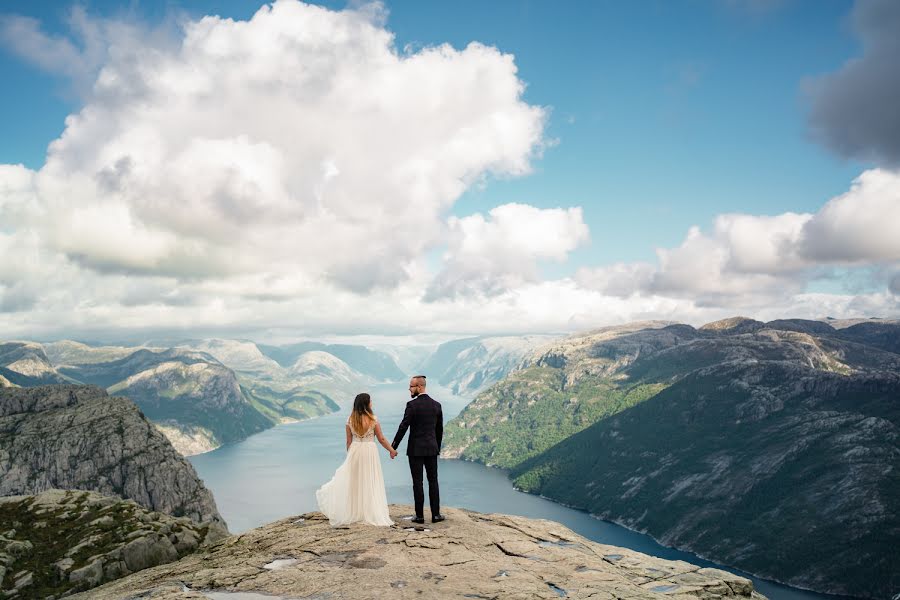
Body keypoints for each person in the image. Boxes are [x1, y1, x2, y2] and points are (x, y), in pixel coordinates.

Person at [315, 392, 397, 526]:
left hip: (355, 450)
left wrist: (350, 457)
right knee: (370, 480)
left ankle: (355, 511)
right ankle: (370, 511)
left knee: (355, 481)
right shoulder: (373, 419)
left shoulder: (350, 420)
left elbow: (348, 441)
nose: (372, 403)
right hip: (369, 451)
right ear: (366, 403)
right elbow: (381, 439)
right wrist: (392, 451)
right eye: (370, 401)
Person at [391, 375, 444, 524]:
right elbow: (439, 430)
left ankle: (419, 516)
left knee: (417, 482)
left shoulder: (412, 405)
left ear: (420, 387)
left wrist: (393, 446)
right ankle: (436, 515)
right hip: (432, 449)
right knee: (433, 481)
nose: (409, 389)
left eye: (411, 386)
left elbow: (403, 427)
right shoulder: (437, 405)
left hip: (415, 450)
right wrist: (436, 447)